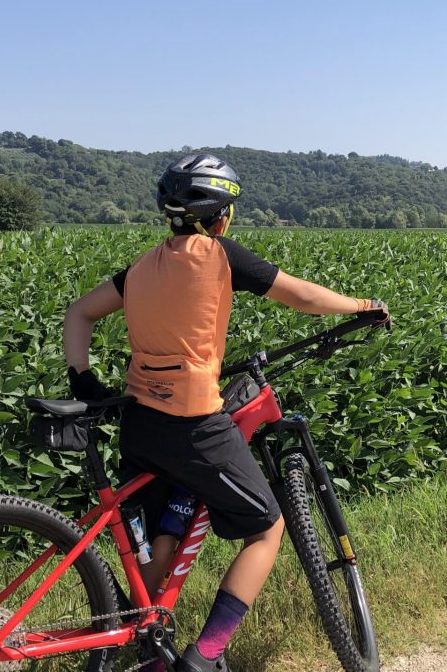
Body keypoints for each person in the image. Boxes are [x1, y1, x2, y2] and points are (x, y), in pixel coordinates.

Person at [63, 153, 388, 672]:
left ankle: (148, 645)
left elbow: (78, 311)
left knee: (161, 539)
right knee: (268, 530)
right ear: (222, 216)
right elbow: (301, 295)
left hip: (139, 420)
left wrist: (83, 378)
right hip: (192, 426)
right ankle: (206, 657)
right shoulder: (219, 255)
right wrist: (361, 305)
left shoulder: (142, 268)